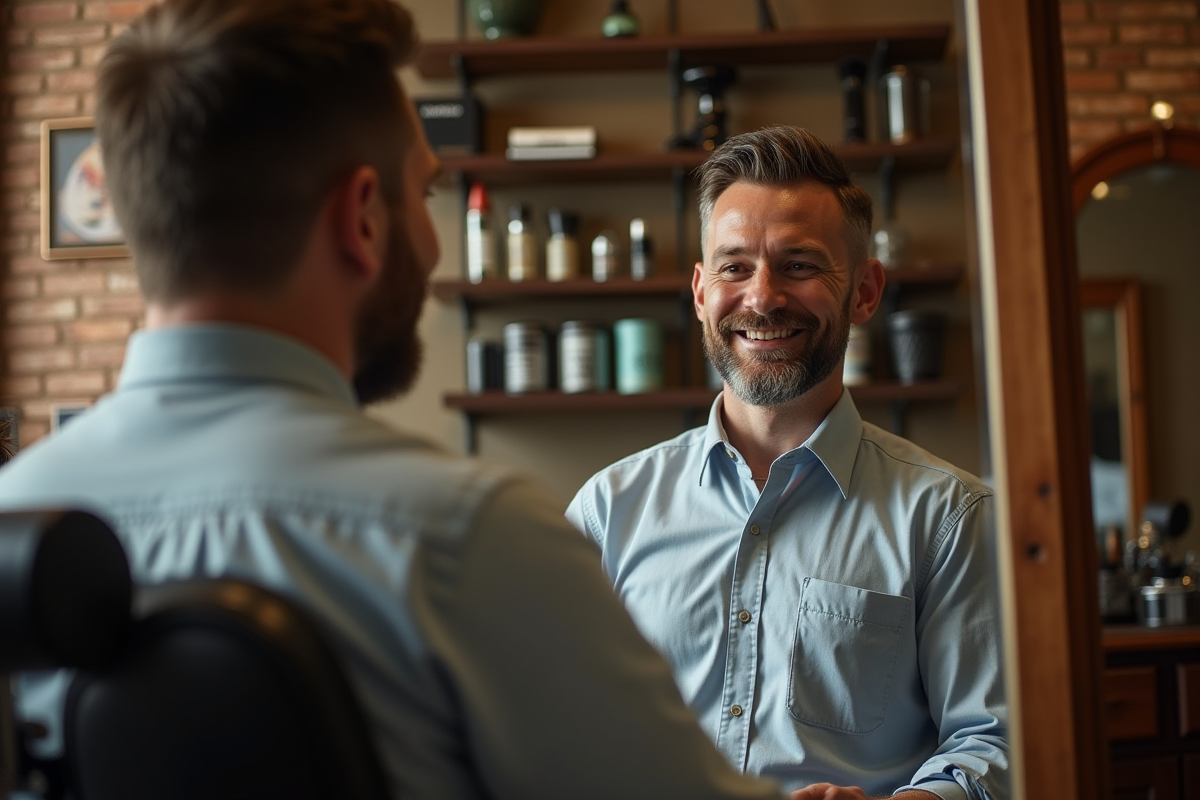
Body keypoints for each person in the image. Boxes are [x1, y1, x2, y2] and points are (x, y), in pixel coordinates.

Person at [0, 2, 797, 799]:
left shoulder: (13, 514)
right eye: (423, 191)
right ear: (362, 220)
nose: (434, 237)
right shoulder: (471, 537)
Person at [567, 126, 1009, 800]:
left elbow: (993, 744)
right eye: (734, 267)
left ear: (865, 291)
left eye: (799, 265)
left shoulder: (951, 519)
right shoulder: (607, 512)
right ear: (700, 292)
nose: (762, 297)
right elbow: (548, 726)